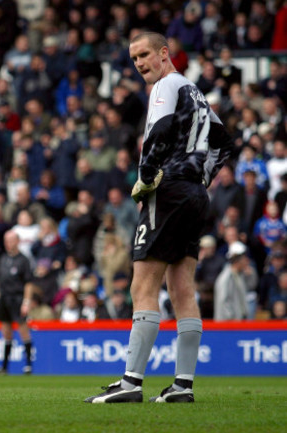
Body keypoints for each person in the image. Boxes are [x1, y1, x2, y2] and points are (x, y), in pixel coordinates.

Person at [85, 32, 234, 404]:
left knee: (142, 286)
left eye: (145, 55)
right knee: (182, 288)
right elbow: (224, 142)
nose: (139, 63)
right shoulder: (195, 92)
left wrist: (147, 178)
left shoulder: (166, 86)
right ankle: (182, 386)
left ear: (164, 53)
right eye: (134, 58)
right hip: (195, 195)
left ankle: (131, 382)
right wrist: (201, 176)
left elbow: (158, 133)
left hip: (168, 191)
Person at [0, 230, 34, 374]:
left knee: (23, 330)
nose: (8, 244)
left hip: (17, 298)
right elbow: (0, 283)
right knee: (6, 332)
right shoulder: (3, 259)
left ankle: (28, 365)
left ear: (17, 241)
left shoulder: (23, 260)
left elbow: (28, 283)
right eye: (6, 241)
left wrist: (26, 302)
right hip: (4, 297)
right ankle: (4, 366)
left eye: (10, 241)